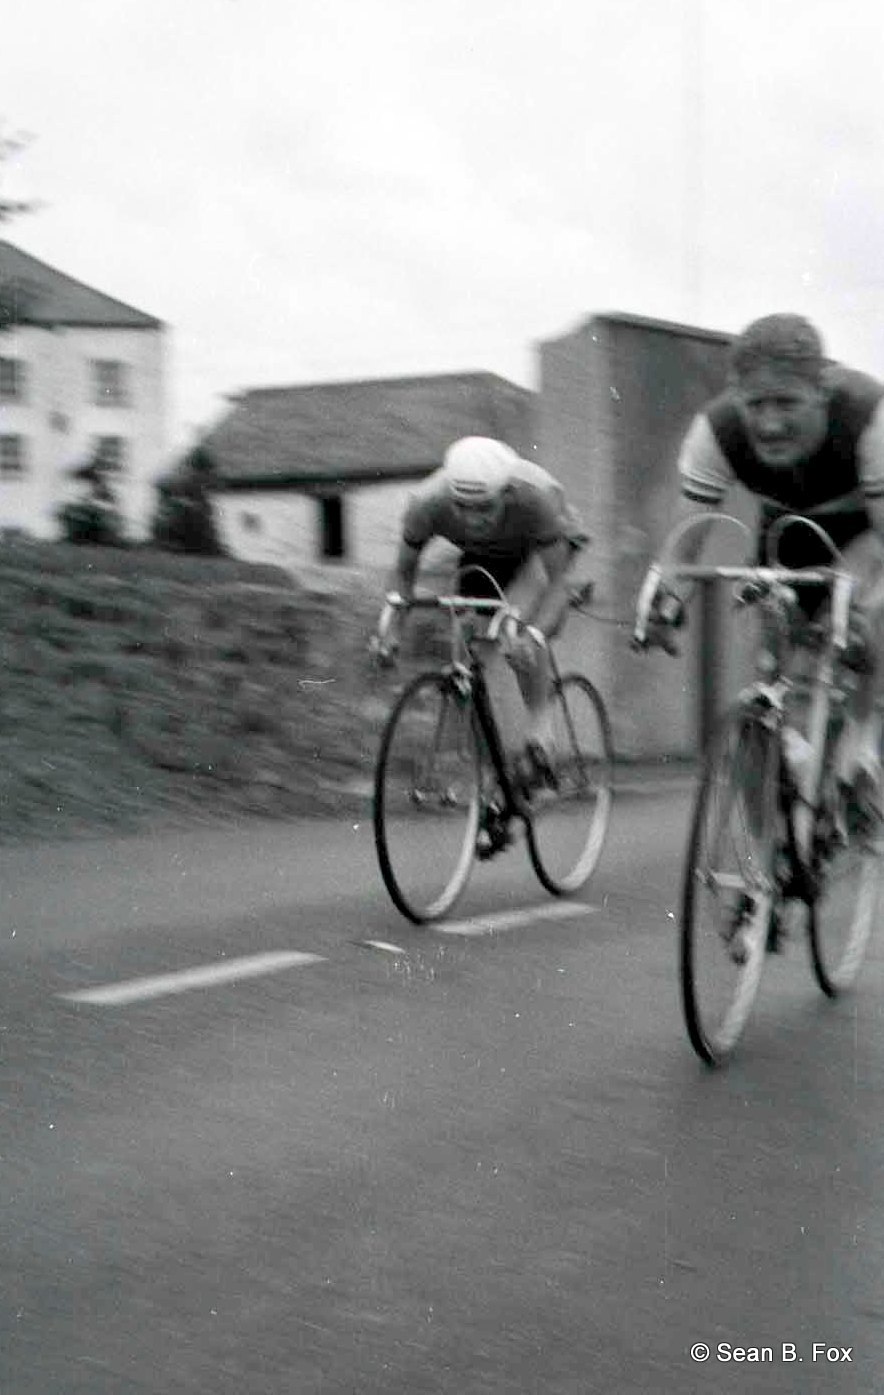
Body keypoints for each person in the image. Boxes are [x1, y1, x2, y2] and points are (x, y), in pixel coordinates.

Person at [643, 311, 884, 831]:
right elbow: (683, 545)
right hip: (790, 532)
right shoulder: (717, 430)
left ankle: (861, 747)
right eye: (756, 405)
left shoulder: (870, 415)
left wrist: (865, 608)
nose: (770, 423)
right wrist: (663, 601)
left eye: (787, 403)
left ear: (822, 389)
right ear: (736, 396)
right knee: (774, 683)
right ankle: (769, 869)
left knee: (858, 622)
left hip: (868, 530)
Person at [373, 435, 588, 779]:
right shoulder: (426, 503)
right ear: (450, 498)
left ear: (506, 494)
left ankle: (540, 731)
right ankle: (492, 777)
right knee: (469, 652)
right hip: (484, 552)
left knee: (513, 630)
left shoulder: (536, 497)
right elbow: (403, 571)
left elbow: (558, 584)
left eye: (484, 507)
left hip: (540, 549)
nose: (473, 519)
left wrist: (533, 635)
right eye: (463, 509)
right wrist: (392, 627)